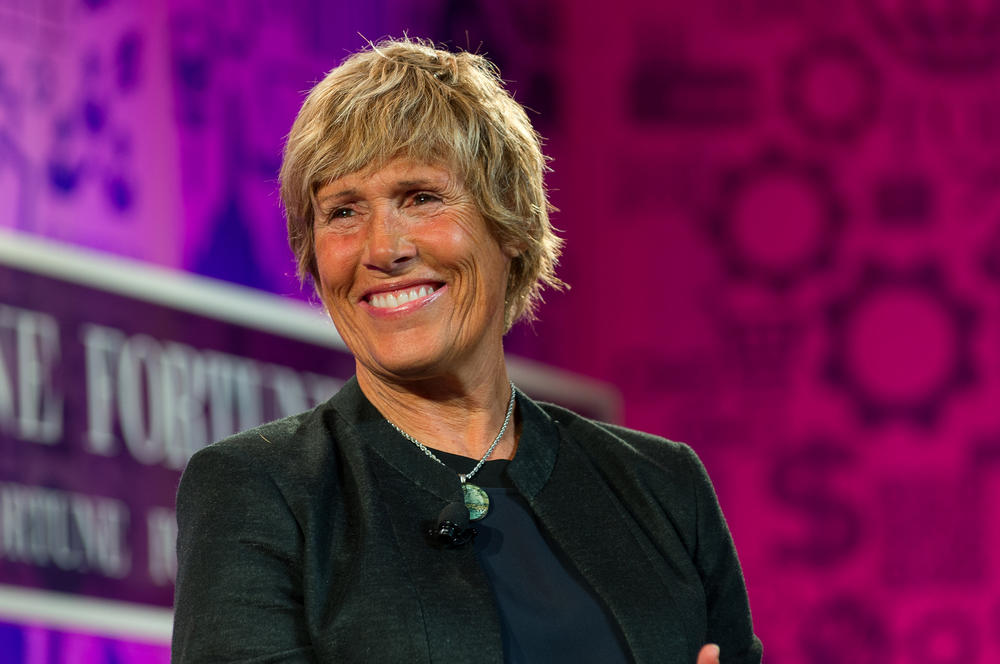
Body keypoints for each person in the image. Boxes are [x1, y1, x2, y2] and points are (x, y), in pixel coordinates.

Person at [171, 38, 762, 664]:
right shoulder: (261, 490)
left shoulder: (665, 490)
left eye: (421, 197)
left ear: (510, 225)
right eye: (342, 211)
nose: (383, 248)